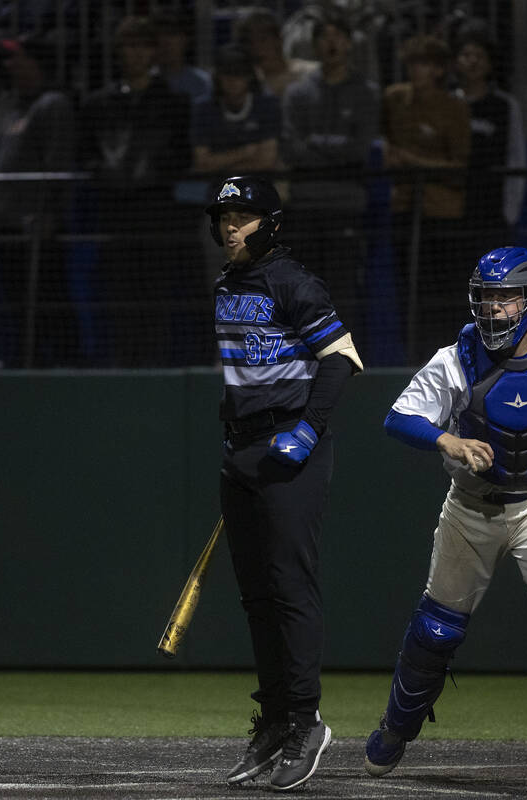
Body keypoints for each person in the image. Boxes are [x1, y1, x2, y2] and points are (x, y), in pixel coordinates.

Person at [362, 246, 527, 791]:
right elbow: (397, 417)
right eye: (485, 297)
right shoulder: (457, 356)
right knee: (436, 631)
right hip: (471, 507)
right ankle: (395, 730)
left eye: (505, 298)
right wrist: (448, 439)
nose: (492, 309)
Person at [208, 176, 363, 791]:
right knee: (256, 597)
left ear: (269, 223)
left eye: (242, 216)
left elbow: (341, 356)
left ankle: (306, 721)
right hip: (241, 450)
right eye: (223, 217)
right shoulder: (225, 285)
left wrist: (308, 429)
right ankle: (273, 721)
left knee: (290, 587)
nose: (229, 227)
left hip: (289, 447)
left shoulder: (293, 282)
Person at [79, 16, 193, 365]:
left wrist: (148, 170)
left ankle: (155, 374)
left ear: (154, 52)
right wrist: (109, 173)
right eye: (128, 45)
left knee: (154, 303)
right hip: (115, 217)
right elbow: (86, 156)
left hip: (157, 217)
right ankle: (124, 373)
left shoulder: (174, 103)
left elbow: (182, 157)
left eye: (143, 45)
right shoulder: (98, 104)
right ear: (117, 52)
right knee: (120, 301)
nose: (136, 54)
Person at [280, 11, 380, 335]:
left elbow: (359, 150)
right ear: (315, 45)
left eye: (338, 35)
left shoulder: (365, 92)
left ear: (349, 43)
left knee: (343, 292)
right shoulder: (297, 94)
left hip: (346, 206)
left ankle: (343, 361)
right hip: (305, 206)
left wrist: (315, 149)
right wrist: (335, 152)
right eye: (324, 36)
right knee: (303, 292)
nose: (331, 42)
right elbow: (291, 149)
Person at [381, 34, 471, 362]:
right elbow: (387, 145)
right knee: (409, 291)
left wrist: (414, 162)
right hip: (405, 208)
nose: (416, 71)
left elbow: (459, 166)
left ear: (438, 70)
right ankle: (413, 359)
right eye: (412, 64)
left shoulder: (454, 108)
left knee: (441, 293)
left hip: (443, 213)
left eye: (424, 65)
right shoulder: (393, 99)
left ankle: (448, 359)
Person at [0, 32, 77, 366]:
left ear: (36, 62)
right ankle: (32, 366)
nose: (9, 63)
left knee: (50, 303)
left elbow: (57, 165)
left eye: (17, 56)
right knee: (19, 305)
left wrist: (49, 215)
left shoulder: (52, 104)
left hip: (38, 228)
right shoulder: (11, 105)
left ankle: (69, 368)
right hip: (8, 226)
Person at [452, 23, 526, 253]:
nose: (473, 61)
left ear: (491, 63)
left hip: (491, 212)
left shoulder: (505, 106)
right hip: (452, 210)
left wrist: (510, 210)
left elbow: (517, 156)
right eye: (466, 55)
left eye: (480, 56)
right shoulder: (446, 103)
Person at [190, 45, 281, 175]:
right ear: (218, 76)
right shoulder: (204, 108)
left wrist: (220, 163)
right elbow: (202, 162)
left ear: (249, 76)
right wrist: (246, 152)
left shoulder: (267, 105)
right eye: (227, 73)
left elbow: (267, 160)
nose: (232, 80)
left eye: (239, 73)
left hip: (260, 183)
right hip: (217, 188)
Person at [235, 7, 318, 98]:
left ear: (278, 39)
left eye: (263, 40)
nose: (257, 48)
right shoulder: (247, 84)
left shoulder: (311, 74)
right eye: (250, 43)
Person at [152, 8, 212, 104]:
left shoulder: (203, 83)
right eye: (159, 35)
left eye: (171, 34)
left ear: (185, 40)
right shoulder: (146, 82)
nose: (165, 42)